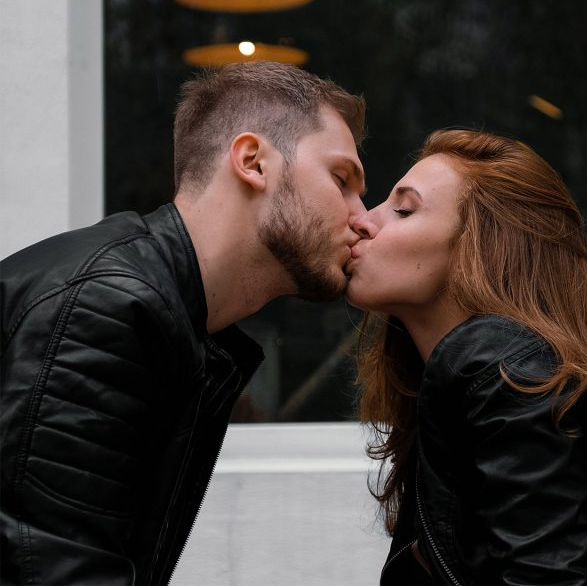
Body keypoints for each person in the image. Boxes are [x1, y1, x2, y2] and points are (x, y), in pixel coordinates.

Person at [0, 61, 367, 585]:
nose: (361, 216)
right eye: (341, 180)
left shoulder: (169, 314)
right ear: (253, 162)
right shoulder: (107, 306)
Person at [347, 129, 587, 585]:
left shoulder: (504, 373)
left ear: (482, 249)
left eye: (404, 210)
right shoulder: (482, 379)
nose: (363, 220)